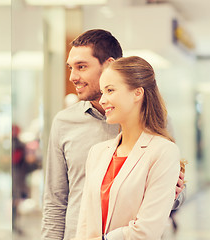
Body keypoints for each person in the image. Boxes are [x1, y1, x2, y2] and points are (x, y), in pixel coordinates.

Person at [41, 29, 186, 240]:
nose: (73, 77)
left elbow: (176, 197)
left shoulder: (158, 125)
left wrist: (170, 194)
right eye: (71, 68)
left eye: (81, 67)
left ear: (108, 64)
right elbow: (55, 202)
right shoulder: (65, 124)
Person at [74, 56, 180, 239]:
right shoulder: (97, 153)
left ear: (137, 93)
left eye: (110, 90)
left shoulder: (163, 152)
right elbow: (84, 222)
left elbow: (146, 231)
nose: (103, 100)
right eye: (102, 92)